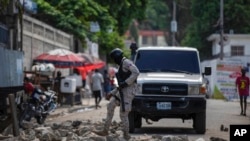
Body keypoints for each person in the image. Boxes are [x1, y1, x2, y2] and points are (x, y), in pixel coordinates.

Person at [92, 48, 140, 140]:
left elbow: (136, 72)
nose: (114, 61)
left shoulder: (126, 62)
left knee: (123, 113)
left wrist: (126, 82)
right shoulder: (121, 65)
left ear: (117, 58)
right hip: (122, 90)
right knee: (110, 105)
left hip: (129, 91)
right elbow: (121, 85)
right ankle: (105, 130)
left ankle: (126, 135)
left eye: (114, 59)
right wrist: (112, 93)